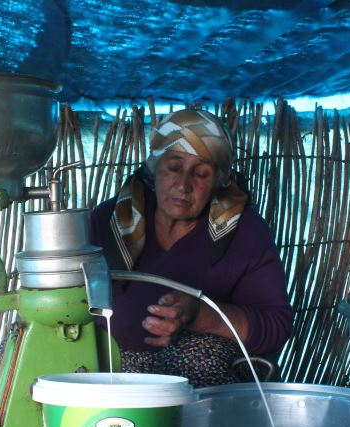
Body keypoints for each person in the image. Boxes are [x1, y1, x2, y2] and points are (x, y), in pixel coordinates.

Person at [89, 108, 293, 388]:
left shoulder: (245, 233)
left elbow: (276, 325)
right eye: (174, 167)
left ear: (219, 182)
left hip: (201, 376)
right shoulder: (109, 221)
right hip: (114, 368)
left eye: (201, 174)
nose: (184, 185)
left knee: (194, 357)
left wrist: (199, 315)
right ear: (154, 168)